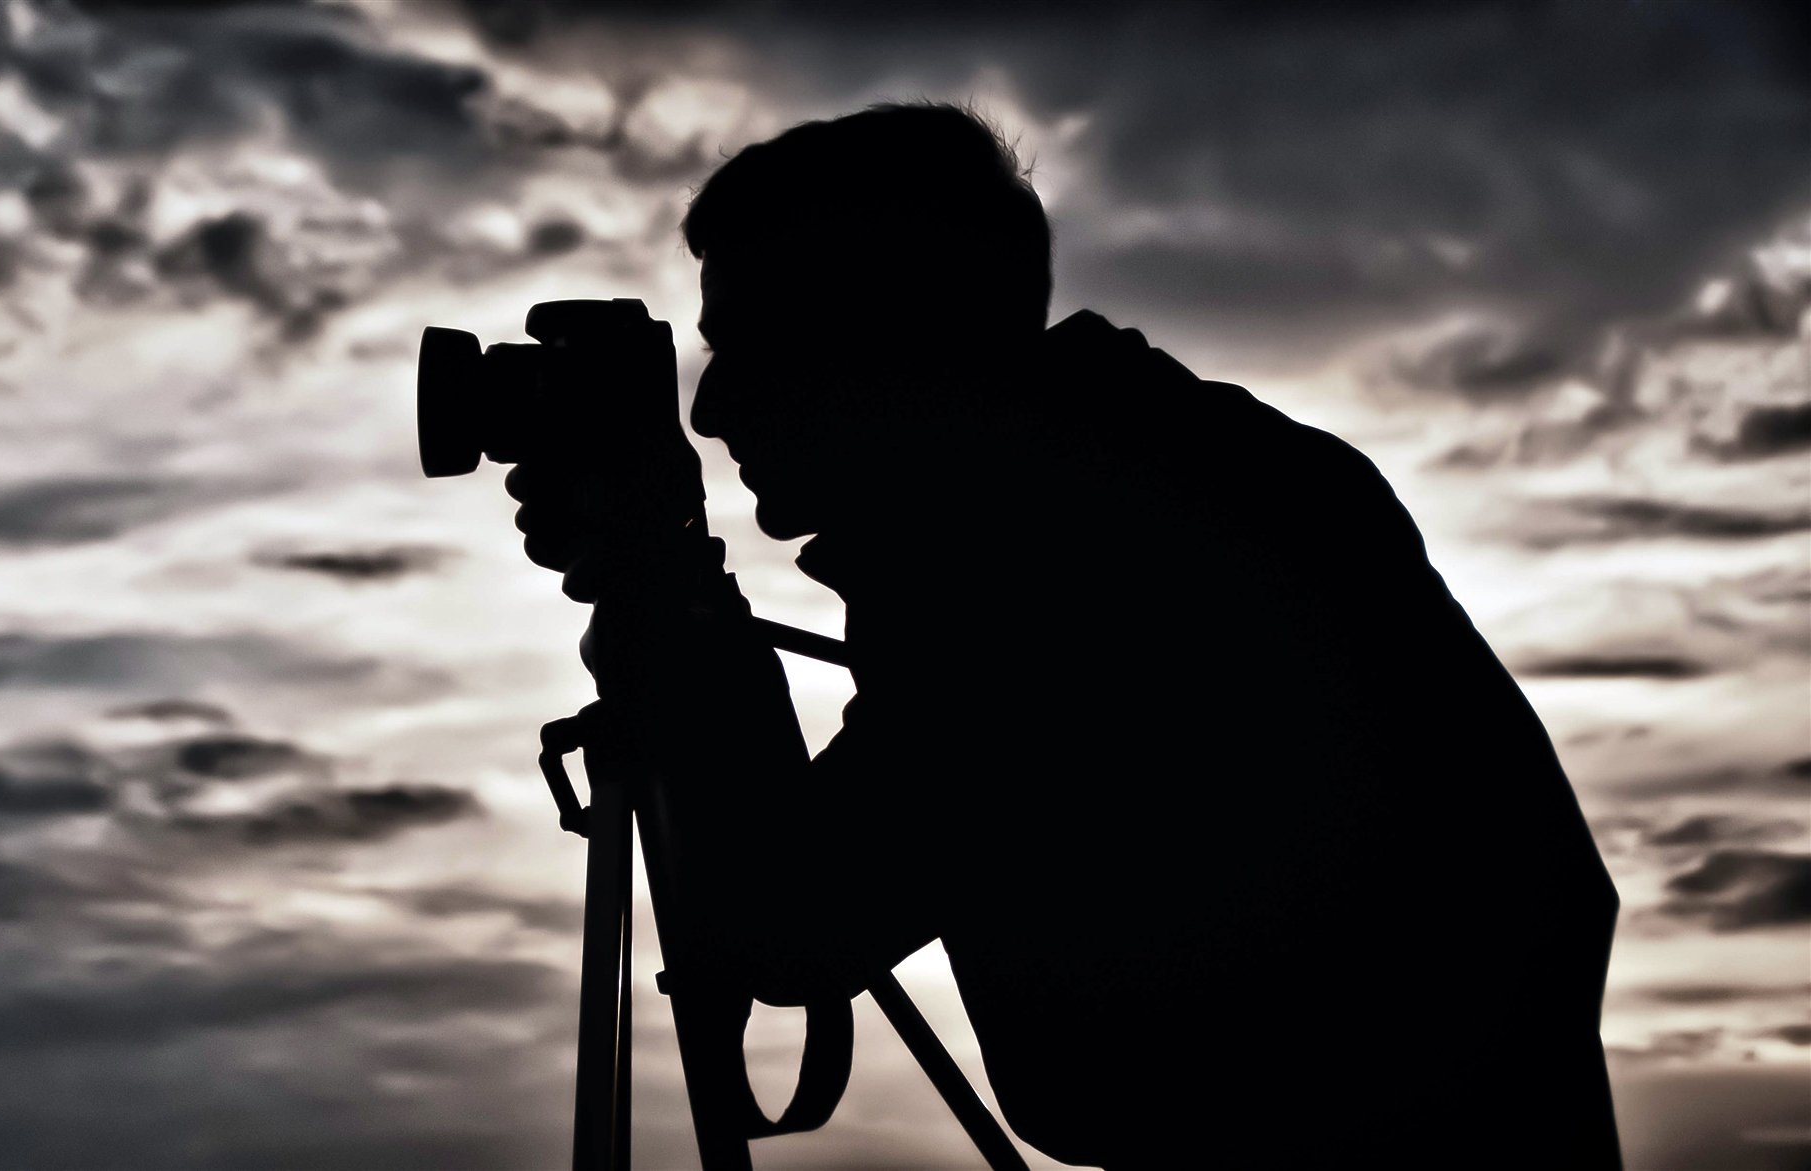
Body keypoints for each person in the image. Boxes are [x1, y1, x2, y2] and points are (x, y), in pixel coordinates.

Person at [506, 102, 1623, 1169]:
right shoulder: (1157, 466)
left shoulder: (1054, 541)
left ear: (880, 338)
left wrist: (660, 585)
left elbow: (792, 917)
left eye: (748, 348)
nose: (709, 411)